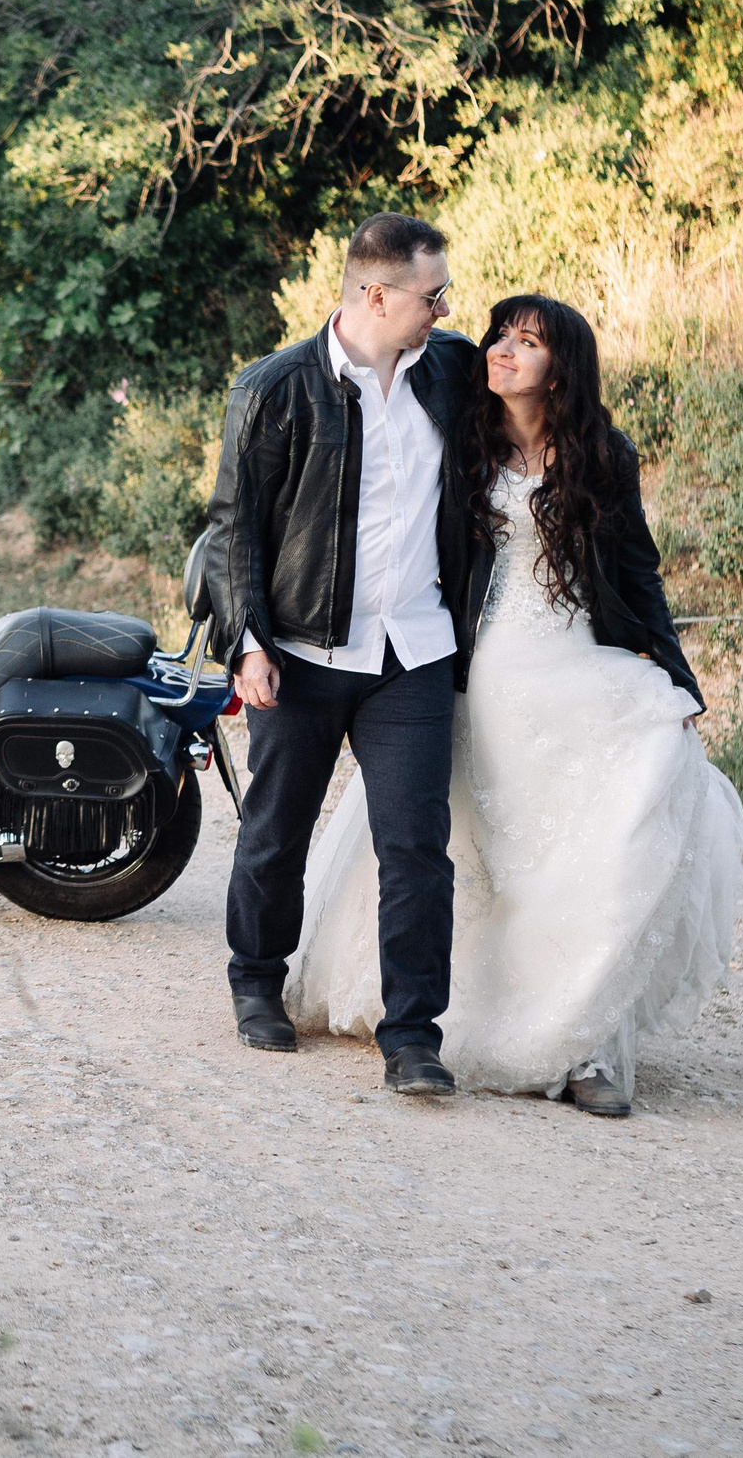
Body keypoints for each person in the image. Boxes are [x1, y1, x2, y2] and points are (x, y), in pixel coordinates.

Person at [288, 296, 743, 1116]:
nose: (504, 349)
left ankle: (584, 1044)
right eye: (502, 334)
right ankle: (435, 1013)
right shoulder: (462, 437)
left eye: (529, 341)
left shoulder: (603, 453)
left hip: (575, 663)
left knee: (604, 838)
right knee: (474, 854)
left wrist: (677, 674)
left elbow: (638, 568)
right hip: (476, 670)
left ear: (562, 366)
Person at [200, 213, 487, 1096]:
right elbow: (233, 528)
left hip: (416, 649)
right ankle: (257, 980)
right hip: (300, 651)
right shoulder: (275, 388)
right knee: (277, 824)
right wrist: (246, 643)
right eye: (432, 294)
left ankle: (412, 1036)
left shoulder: (453, 373)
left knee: (416, 846)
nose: (443, 308)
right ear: (377, 295)